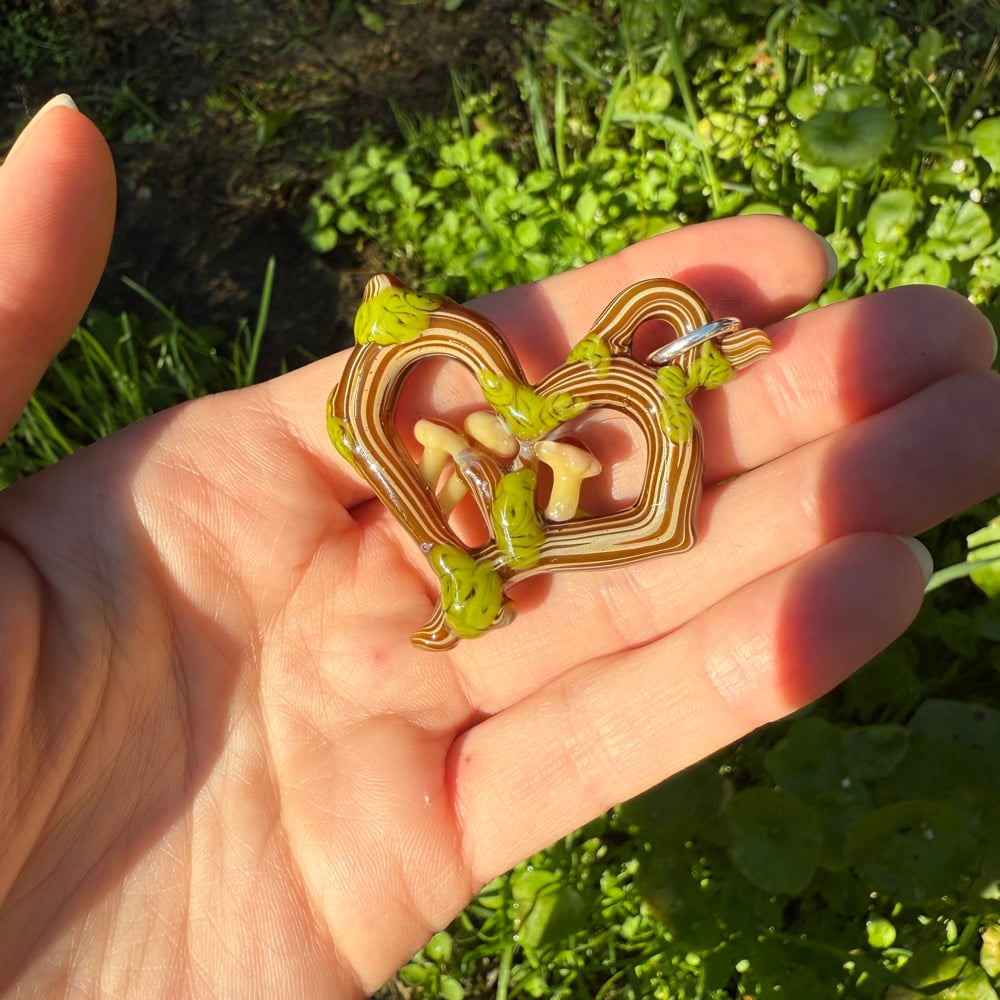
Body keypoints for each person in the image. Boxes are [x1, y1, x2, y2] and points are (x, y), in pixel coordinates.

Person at [2, 95, 999, 998]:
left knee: (658, 503)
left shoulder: (495, 430)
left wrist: (545, 458)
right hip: (507, 496)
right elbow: (471, 440)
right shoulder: (422, 430)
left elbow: (524, 446)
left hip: (549, 476)